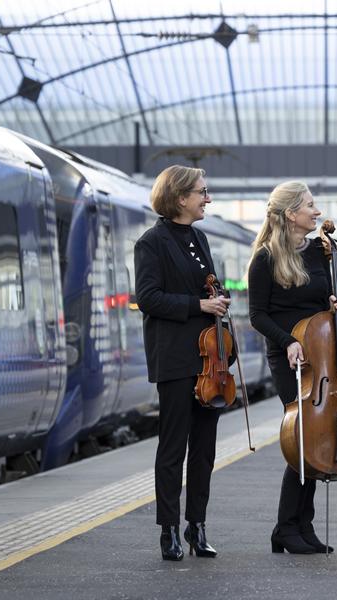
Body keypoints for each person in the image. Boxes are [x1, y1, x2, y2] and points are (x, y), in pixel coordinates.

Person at [247, 181, 337, 555]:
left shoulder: (321, 252)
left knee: (317, 438)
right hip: (289, 355)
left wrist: (335, 306)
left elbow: (323, 299)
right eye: (309, 205)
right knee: (304, 440)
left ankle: (300, 526)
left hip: (320, 355)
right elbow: (257, 315)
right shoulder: (265, 258)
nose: (317, 211)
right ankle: (287, 526)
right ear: (291, 214)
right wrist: (288, 341)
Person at [135, 165, 230, 561]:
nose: (207, 198)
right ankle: (169, 530)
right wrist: (199, 304)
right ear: (179, 198)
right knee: (173, 447)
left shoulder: (200, 238)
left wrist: (219, 298)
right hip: (174, 358)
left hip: (210, 362)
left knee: (205, 449)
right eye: (201, 192)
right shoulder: (151, 243)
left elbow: (206, 284)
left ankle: (198, 526)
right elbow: (148, 297)